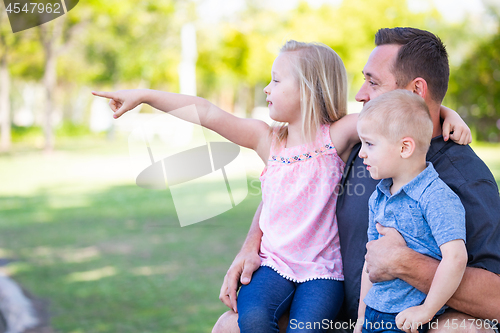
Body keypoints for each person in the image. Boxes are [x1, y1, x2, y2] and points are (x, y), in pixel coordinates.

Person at [214, 27, 500, 333]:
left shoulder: (463, 177)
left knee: (464, 330)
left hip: (407, 323)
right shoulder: (365, 145)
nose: (360, 94)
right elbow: (292, 184)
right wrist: (250, 247)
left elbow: (495, 300)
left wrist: (404, 263)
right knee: (229, 325)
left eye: (373, 83)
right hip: (342, 319)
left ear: (416, 91)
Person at [94, 40, 364, 333]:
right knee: (253, 319)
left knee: (308, 329)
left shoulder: (337, 137)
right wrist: (146, 96)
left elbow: (391, 118)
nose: (266, 88)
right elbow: (207, 113)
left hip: (322, 273)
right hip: (273, 266)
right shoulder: (268, 140)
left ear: (309, 89)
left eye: (276, 80)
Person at [354, 89, 468, 333]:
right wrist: (361, 317)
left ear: (405, 148)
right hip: (373, 312)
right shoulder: (379, 196)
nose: (361, 152)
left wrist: (426, 310)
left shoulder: (436, 197)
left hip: (405, 319)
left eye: (369, 144)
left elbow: (456, 258)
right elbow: (371, 259)